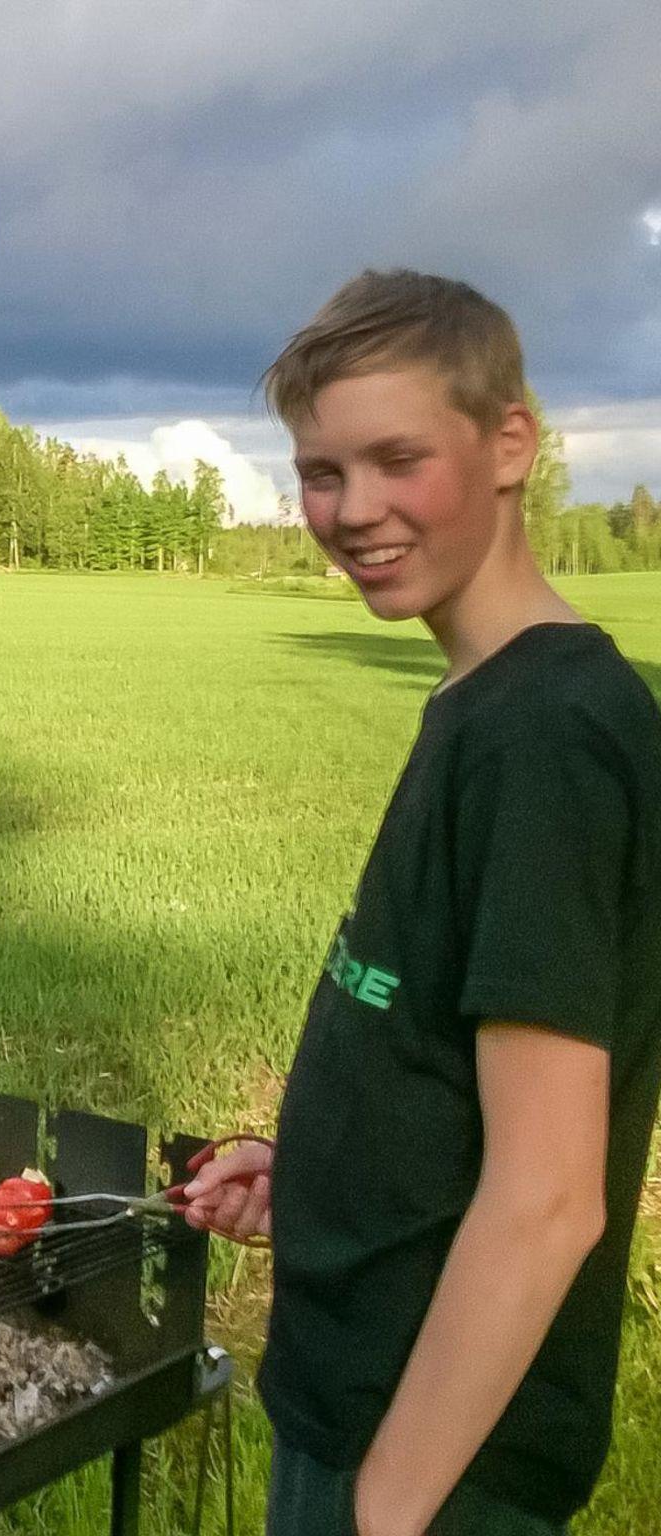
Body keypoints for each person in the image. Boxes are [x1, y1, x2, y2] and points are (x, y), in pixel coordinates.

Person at [181, 269, 661, 1535]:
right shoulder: (485, 706)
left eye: (396, 458)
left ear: (510, 443)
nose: (354, 511)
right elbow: (450, 1059)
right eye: (320, 472)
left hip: (430, 1459)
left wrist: (386, 1505)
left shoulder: (545, 742)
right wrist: (320, 1176)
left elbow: (549, 1193)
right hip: (365, 1408)